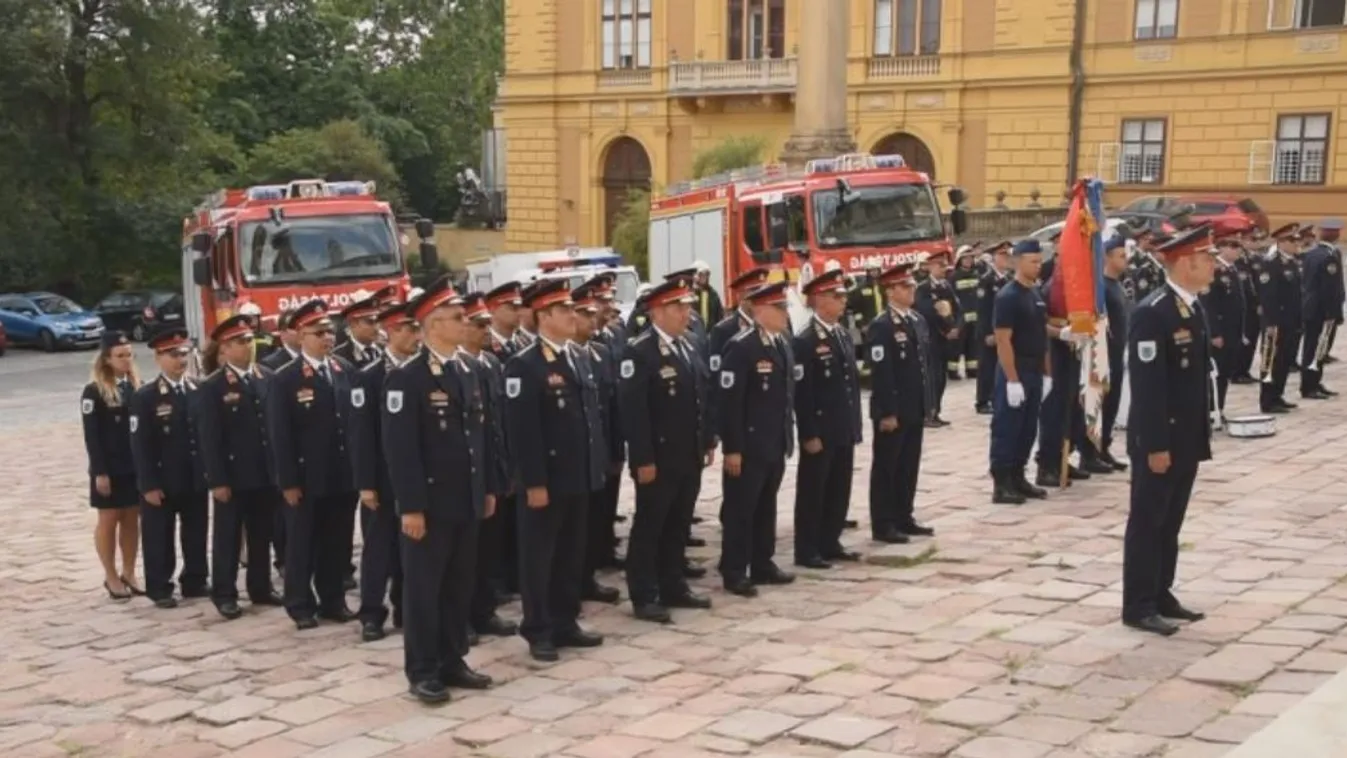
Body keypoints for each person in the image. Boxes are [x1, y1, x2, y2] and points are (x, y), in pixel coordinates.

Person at [383, 278, 497, 703]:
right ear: (432, 325)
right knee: (423, 590)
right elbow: (401, 449)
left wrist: (486, 487)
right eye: (456, 318)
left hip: (464, 498)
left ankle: (453, 658)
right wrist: (410, 506)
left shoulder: (466, 370)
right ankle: (423, 668)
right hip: (428, 504)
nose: (465, 323)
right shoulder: (407, 379)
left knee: (457, 585)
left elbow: (478, 437)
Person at [505, 278, 606, 662]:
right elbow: (523, 431)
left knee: (570, 552)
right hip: (546, 480)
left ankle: (565, 620)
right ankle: (538, 627)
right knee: (539, 556)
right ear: (544, 316)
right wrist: (534, 481)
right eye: (564, 310)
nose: (572, 315)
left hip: (577, 475)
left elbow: (586, 421)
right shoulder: (525, 365)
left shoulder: (577, 357)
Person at [1122, 225, 1216, 637]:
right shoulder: (1153, 312)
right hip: (1160, 438)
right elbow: (1148, 388)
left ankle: (1161, 592)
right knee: (1148, 521)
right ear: (1184, 262)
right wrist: (1155, 445)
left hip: (1187, 437)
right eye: (1206, 258)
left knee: (1171, 521)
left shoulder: (1191, 307)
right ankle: (1138, 603)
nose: (1213, 265)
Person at [619, 276, 715, 623]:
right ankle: (644, 593)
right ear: (658, 311)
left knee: (678, 523)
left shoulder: (688, 344)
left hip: (687, 454)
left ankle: (673, 584)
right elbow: (635, 411)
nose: (686, 312)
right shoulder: (640, 351)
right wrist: (642, 458)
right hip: (658, 457)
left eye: (688, 305)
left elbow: (700, 397)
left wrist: (706, 440)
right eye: (679, 306)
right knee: (650, 525)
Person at [266, 298, 357, 630]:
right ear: (301, 335)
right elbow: (280, 435)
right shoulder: (285, 378)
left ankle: (333, 599)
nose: (327, 338)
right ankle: (300, 604)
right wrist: (287, 481)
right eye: (319, 332)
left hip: (341, 474)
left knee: (338, 540)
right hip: (305, 476)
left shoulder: (343, 371)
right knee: (302, 542)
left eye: (330, 332)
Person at [197, 316, 281, 619]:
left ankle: (260, 586)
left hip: (265, 472)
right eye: (240, 342)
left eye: (249, 340)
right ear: (226, 348)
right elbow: (210, 438)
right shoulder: (213, 386)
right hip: (233, 474)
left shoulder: (266, 377)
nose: (248, 347)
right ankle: (224, 592)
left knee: (262, 533)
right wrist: (217, 479)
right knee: (228, 536)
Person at [717, 280, 798, 597]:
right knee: (741, 509)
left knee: (767, 506)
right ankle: (734, 569)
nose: (785, 313)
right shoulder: (741, 346)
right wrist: (733, 448)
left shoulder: (780, 343)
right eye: (780, 308)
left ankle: (762, 563)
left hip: (774, 440)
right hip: (749, 445)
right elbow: (730, 402)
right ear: (761, 309)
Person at [350, 301, 420, 642]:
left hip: (412, 477)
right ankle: (371, 613)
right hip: (380, 477)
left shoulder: (421, 372)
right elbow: (361, 435)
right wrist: (365, 483)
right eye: (409, 329)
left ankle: (405, 608)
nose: (415, 336)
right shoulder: (369, 377)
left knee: (411, 548)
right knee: (378, 549)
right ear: (391, 331)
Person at [129, 328, 209, 609]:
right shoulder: (146, 396)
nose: (180, 360)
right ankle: (160, 586)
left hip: (194, 477)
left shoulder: (198, 389)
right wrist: (148, 484)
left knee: (196, 531)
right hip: (162, 479)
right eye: (173, 355)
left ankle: (196, 579)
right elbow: (141, 445)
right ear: (159, 358)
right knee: (159, 535)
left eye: (184, 353)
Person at [792, 269, 863, 569]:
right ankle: (807, 549)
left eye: (844, 296)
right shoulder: (806, 340)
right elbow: (802, 392)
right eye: (837, 296)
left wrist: (855, 425)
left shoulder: (841, 333)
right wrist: (809, 432)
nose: (843, 301)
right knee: (814, 490)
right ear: (820, 300)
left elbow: (849, 384)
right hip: (821, 428)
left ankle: (830, 540)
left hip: (842, 425)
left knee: (839, 487)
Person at [460, 293, 519, 643]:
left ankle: (484, 610)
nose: (485, 330)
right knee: (464, 553)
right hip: (466, 474)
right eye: (477, 324)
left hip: (491, 470)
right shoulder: (457, 367)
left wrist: (505, 470)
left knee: (488, 548)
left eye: (486, 323)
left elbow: (500, 423)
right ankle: (463, 616)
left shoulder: (491, 365)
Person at [865, 262, 936, 539]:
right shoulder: (882, 325)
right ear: (891, 291)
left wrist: (928, 403)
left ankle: (904, 515)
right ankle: (883, 523)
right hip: (893, 409)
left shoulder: (916, 320)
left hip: (914, 406)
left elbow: (923, 366)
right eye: (905, 287)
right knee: (887, 467)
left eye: (911, 286)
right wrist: (887, 412)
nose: (911, 291)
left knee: (908, 465)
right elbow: (883, 373)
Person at [569, 281, 623, 606]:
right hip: (573, 456)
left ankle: (587, 576)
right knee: (575, 529)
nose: (593, 319)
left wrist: (615, 449)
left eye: (594, 313)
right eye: (584, 313)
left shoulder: (599, 353)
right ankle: (574, 582)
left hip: (599, 449)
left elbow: (611, 403)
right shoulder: (560, 358)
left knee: (594, 518)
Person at [987, 241, 1052, 505]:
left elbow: (1042, 333)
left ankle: (1018, 475)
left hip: (1034, 368)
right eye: (1032, 261)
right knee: (1008, 427)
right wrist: (1012, 380)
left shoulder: (1035, 294)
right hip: (1015, 369)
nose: (1038, 266)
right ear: (1017, 262)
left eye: (1039, 261)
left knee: (1027, 428)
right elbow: (1003, 340)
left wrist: (1047, 373)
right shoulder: (1008, 296)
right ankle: (1002, 483)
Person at [82, 331, 144, 601]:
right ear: (107, 359)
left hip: (133, 466)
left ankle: (129, 572)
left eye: (129, 354)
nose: (126, 360)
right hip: (109, 467)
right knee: (108, 520)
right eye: (120, 356)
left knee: (132, 520)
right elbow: (92, 435)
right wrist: (100, 471)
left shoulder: (136, 386)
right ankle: (110, 575)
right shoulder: (94, 391)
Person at [484, 280, 524, 598]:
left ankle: (510, 576)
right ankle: (494, 582)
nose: (518, 311)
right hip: (492, 452)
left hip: (512, 450)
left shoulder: (517, 346)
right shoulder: (485, 351)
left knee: (512, 523)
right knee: (493, 526)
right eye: (511, 306)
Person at [1258, 223, 1304, 413]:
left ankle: (1278, 394)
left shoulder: (1292, 262)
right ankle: (1268, 400)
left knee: (1284, 360)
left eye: (1297, 239)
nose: (1297, 243)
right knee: (1271, 361)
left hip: (1290, 320)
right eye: (1293, 240)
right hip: (1275, 322)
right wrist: (1270, 322)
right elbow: (1267, 296)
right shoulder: (1271, 263)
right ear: (1281, 242)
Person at [1299, 219, 1345, 399]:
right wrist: (1333, 313)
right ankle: (1309, 386)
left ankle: (1314, 382)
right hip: (1321, 310)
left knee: (1316, 347)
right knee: (1316, 347)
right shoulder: (1328, 256)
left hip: (1312, 307)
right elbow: (1329, 289)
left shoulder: (1313, 253)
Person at [1201, 238, 1247, 417]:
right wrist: (1215, 333)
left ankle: (1219, 408)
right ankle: (1211, 410)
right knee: (1216, 373)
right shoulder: (1214, 270)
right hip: (1220, 331)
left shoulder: (1232, 269)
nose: (1237, 250)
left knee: (1225, 373)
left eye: (1238, 247)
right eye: (1233, 246)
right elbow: (1209, 305)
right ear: (1220, 248)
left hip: (1232, 330)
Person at [914, 252, 961, 426]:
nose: (943, 269)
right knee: (932, 377)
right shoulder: (923, 288)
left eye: (944, 266)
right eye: (939, 266)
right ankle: (928, 413)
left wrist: (955, 326)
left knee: (941, 377)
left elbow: (956, 308)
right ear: (930, 267)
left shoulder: (946, 286)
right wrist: (945, 326)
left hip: (945, 338)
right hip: (931, 338)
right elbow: (926, 312)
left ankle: (936, 411)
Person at [974, 243, 1013, 414]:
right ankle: (982, 401)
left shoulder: (1009, 279)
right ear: (994, 258)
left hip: (1006, 331)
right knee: (987, 367)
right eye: (1002, 255)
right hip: (990, 331)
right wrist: (987, 333)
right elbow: (982, 310)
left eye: (1007, 256)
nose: (1006, 259)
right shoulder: (986, 280)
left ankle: (998, 397)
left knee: (1002, 365)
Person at [1232, 232, 1265, 383]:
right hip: (1243, 307)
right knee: (1242, 339)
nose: (1256, 242)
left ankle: (1245, 370)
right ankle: (1236, 372)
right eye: (1253, 238)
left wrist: (1260, 302)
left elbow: (1259, 284)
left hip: (1255, 307)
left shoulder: (1255, 259)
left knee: (1252, 339)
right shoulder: (1235, 262)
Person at [951, 246, 983, 380]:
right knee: (957, 345)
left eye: (971, 258)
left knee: (973, 345)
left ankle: (972, 370)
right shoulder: (953, 277)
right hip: (961, 318)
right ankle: (952, 370)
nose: (969, 260)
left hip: (975, 317)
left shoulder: (977, 274)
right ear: (959, 259)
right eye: (966, 258)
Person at [693, 260, 725, 327]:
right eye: (702, 274)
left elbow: (719, 317)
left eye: (707, 274)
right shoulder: (689, 294)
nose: (705, 277)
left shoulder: (713, 294)